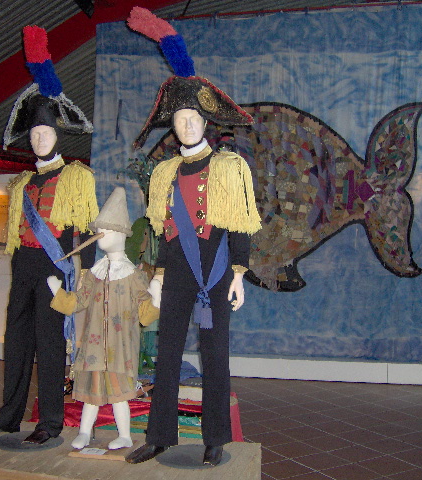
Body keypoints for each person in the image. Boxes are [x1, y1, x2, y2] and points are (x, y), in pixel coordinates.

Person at [125, 8, 262, 466]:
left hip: (216, 272)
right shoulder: (165, 172)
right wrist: (159, 276)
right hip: (178, 273)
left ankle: (215, 438)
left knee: (215, 356)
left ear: (206, 122)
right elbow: (167, 233)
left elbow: (239, 224)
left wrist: (239, 274)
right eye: (180, 118)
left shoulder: (229, 166)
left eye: (193, 117)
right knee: (167, 354)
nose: (186, 124)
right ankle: (159, 436)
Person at [0, 25, 97, 446]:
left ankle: (50, 422)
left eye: (46, 133)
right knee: (16, 342)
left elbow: (86, 229)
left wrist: (84, 276)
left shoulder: (76, 176)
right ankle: (8, 417)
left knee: (49, 343)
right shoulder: (21, 184)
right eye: (35, 134)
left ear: (58, 135)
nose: (40, 138)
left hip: (54, 265)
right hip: (23, 265)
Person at [46, 187, 160, 450]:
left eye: (106, 230)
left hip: (121, 348)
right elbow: (79, 302)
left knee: (120, 395)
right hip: (94, 347)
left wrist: (156, 300)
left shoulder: (133, 275)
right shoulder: (94, 273)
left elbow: (145, 315)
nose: (100, 235)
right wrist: (58, 293)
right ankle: (85, 432)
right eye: (100, 230)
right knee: (92, 395)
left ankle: (125, 435)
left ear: (121, 234)